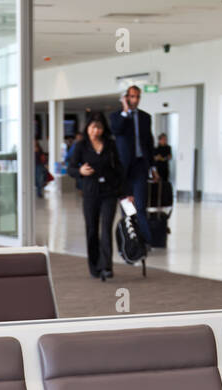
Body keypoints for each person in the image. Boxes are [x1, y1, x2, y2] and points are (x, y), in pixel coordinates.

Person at [69, 112, 123, 280]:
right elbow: (70, 168)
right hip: (90, 192)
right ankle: (94, 266)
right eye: (93, 127)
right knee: (92, 230)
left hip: (109, 192)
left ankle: (106, 266)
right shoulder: (81, 146)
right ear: (87, 127)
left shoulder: (111, 145)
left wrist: (125, 192)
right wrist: (80, 171)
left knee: (106, 229)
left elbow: (119, 169)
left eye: (99, 127)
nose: (95, 131)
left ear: (103, 128)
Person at [110, 85, 157, 242]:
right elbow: (116, 130)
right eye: (132, 97)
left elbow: (149, 143)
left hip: (140, 166)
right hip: (123, 169)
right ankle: (131, 240)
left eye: (138, 97)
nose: (135, 100)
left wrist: (153, 167)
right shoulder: (117, 116)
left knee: (141, 205)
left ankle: (146, 241)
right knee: (127, 207)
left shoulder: (145, 117)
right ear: (126, 97)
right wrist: (125, 110)